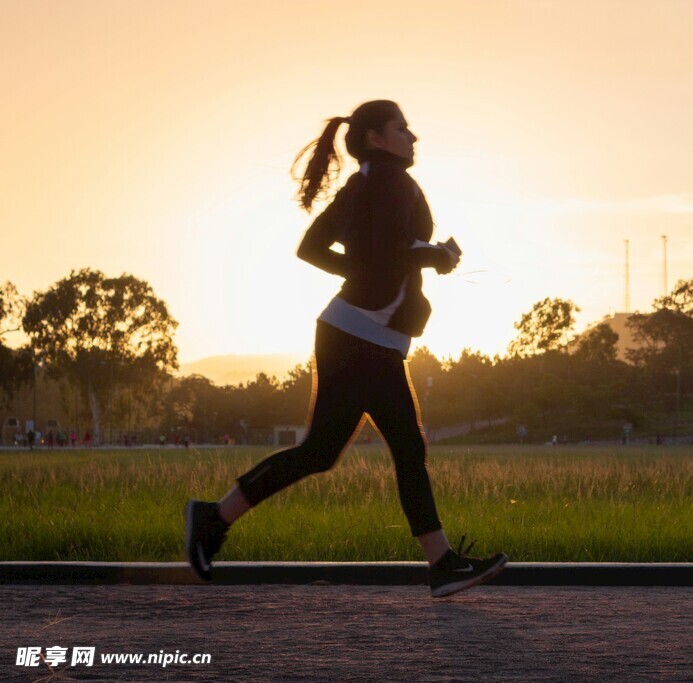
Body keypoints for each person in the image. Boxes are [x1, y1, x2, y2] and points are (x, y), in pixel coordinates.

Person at [185, 100, 507, 598]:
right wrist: (436, 255)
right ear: (377, 137)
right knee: (401, 448)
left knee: (327, 451)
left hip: (358, 332)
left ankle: (214, 517)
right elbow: (386, 252)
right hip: (359, 337)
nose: (412, 136)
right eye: (402, 128)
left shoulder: (365, 185)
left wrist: (371, 273)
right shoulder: (387, 185)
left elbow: (316, 248)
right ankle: (441, 564)